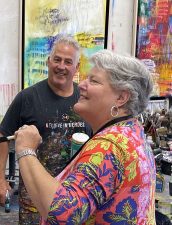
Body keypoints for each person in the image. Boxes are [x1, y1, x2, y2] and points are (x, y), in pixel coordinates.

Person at [14, 49, 156, 224]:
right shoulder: (132, 132)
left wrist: (26, 150)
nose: (81, 84)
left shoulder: (109, 146)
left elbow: (61, 213)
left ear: (121, 97)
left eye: (94, 81)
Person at [0, 35, 92, 224]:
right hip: (34, 196)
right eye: (57, 59)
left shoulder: (86, 99)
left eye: (68, 62)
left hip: (76, 194)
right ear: (48, 61)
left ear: (77, 68)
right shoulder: (27, 98)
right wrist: (0, 180)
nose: (61, 66)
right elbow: (2, 138)